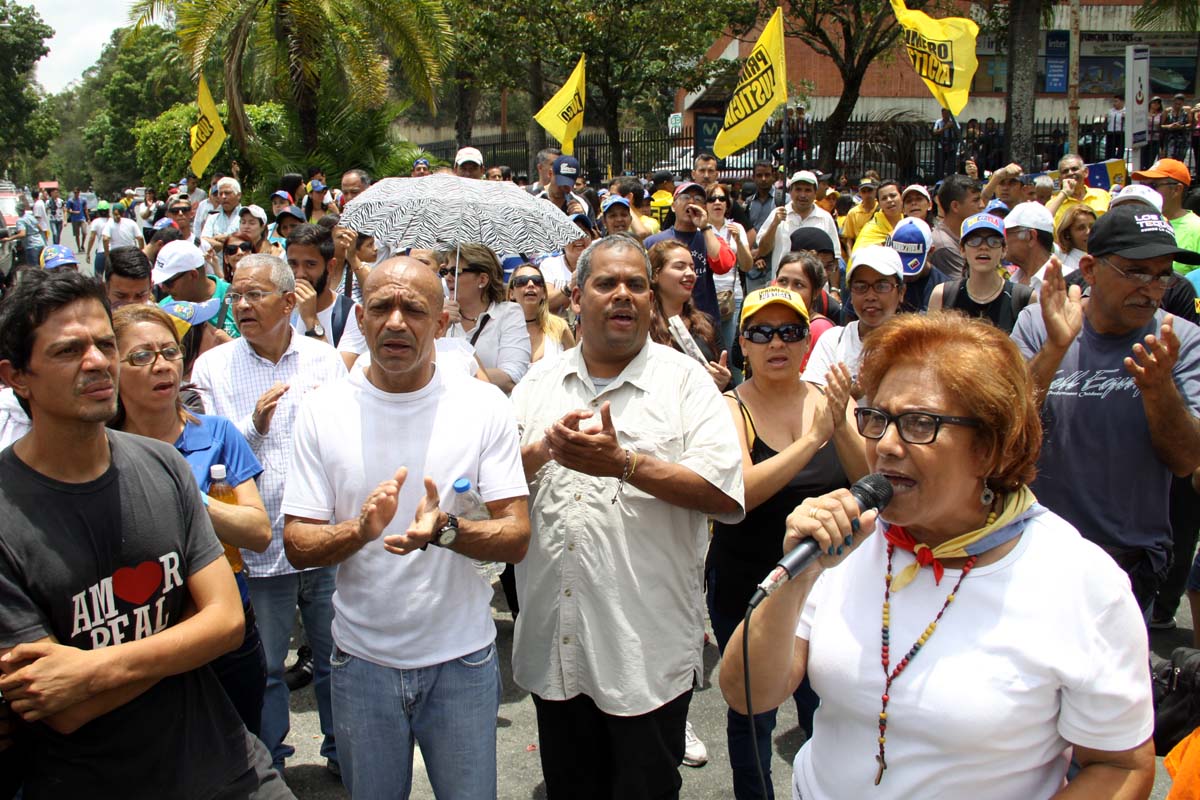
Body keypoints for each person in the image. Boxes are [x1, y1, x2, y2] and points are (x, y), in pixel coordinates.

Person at [720, 311, 1156, 799]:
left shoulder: (1080, 581)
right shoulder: (850, 541)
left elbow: (1120, 767)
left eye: (919, 424)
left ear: (990, 449)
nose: (885, 445)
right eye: (876, 418)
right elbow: (745, 692)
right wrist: (797, 577)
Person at [0, 269, 292, 798]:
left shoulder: (165, 466)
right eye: (68, 351)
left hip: (227, 766)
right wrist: (187, 632)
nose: (96, 362)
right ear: (16, 376)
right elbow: (62, 707)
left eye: (105, 345)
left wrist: (91, 667)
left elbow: (227, 625)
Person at [281, 257, 530, 799]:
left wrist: (446, 530)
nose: (396, 322)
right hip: (360, 664)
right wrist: (357, 532)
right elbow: (297, 544)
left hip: (462, 661)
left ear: (441, 324)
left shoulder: (483, 406)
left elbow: (517, 534)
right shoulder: (322, 411)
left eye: (413, 309)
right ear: (361, 319)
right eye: (381, 308)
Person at [512, 234, 744, 798]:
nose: (623, 295)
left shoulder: (686, 382)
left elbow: (726, 496)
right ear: (575, 298)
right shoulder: (537, 383)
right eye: (606, 283)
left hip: (644, 654)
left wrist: (625, 464)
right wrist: (543, 451)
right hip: (556, 647)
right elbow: (494, 493)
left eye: (637, 285)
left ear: (652, 300)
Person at [190, 254, 348, 775]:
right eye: (236, 295)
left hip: (320, 537)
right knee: (266, 669)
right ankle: (268, 764)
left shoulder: (324, 361)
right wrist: (251, 424)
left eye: (253, 294)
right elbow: (202, 452)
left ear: (287, 302)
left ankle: (344, 753)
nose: (241, 305)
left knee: (335, 659)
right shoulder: (213, 365)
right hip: (257, 550)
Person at [708, 286, 864, 799]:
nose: (777, 343)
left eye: (790, 332)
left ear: (806, 343)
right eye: (761, 333)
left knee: (826, 704)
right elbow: (742, 494)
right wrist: (810, 440)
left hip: (830, 589)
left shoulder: (828, 401)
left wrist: (838, 423)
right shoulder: (731, 406)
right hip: (750, 587)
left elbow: (869, 482)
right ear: (743, 346)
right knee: (752, 713)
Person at [1012, 202, 1200, 614]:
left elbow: (1186, 460)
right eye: (1135, 272)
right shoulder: (1038, 323)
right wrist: (1056, 348)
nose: (1150, 288)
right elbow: (1006, 429)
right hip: (1033, 552)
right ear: (1093, 269)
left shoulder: (1180, 341)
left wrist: (1158, 389)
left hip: (1128, 563)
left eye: (1162, 274)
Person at [110, 303, 272, 736]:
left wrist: (188, 494)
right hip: (142, 640)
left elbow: (258, 533)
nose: (161, 366)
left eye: (169, 352)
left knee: (241, 751)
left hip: (225, 632)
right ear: (113, 369)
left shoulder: (217, 434)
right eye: (141, 357)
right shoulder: (98, 451)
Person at [802, 246, 905, 387]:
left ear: (901, 292)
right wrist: (852, 395)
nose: (870, 296)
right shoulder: (833, 341)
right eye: (861, 286)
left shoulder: (915, 345)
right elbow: (814, 401)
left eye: (882, 286)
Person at [443, 243, 530, 393]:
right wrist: (438, 326)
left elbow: (511, 377)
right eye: (445, 271)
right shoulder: (438, 314)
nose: (448, 277)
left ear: (482, 280)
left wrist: (452, 374)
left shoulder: (509, 313)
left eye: (455, 271)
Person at [928, 213, 1034, 333]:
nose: (983, 247)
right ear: (962, 249)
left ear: (1004, 249)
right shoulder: (942, 295)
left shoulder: (1025, 298)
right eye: (974, 240)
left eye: (993, 241)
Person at [649, 239, 731, 390]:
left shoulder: (706, 323)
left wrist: (723, 381)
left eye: (692, 268)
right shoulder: (642, 327)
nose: (690, 274)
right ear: (655, 275)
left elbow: (729, 383)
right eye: (679, 267)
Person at [285, 223, 367, 370]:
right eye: (293, 264)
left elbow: (338, 376)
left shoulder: (350, 313)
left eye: (310, 264)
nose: (300, 274)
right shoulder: (279, 308)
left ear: (330, 266)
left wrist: (312, 321)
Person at [757, 171, 842, 283]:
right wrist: (774, 224)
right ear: (790, 191)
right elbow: (762, 251)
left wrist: (835, 289)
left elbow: (834, 258)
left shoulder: (825, 218)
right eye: (798, 189)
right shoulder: (777, 214)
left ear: (815, 193)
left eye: (807, 190)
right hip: (784, 287)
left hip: (816, 288)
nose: (802, 195)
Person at [1133, 158, 1200, 277]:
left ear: (1176, 190)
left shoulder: (1196, 229)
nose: (1147, 191)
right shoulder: (1136, 221)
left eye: (1153, 185)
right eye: (1144, 185)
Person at [708, 184, 753, 350]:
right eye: (712, 199)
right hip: (707, 296)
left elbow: (747, 266)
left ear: (727, 204)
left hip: (732, 296)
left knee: (730, 349)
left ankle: (732, 377)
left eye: (722, 199)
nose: (717, 202)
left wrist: (739, 240)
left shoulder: (737, 228)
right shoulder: (700, 230)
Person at [774, 252, 836, 370]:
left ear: (816, 292)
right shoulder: (773, 324)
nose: (788, 290)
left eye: (798, 285)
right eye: (782, 281)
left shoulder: (820, 329)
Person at [508, 263, 574, 363]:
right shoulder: (499, 329)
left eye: (537, 281)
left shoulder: (559, 327)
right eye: (522, 281)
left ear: (544, 293)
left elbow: (575, 368)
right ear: (511, 293)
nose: (530, 284)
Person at [929, 174, 983, 280]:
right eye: (976, 200)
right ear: (955, 206)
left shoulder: (965, 235)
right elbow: (967, 288)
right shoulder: (944, 245)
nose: (982, 205)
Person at [1046, 153, 1111, 229]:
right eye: (1065, 171)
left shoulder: (1102, 195)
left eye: (1074, 169)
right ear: (1060, 179)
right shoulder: (1054, 204)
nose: (1070, 173)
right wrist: (1064, 193)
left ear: (1085, 172)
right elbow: (1043, 221)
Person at [1003, 201, 1056, 287]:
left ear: (1031, 237)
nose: (1003, 240)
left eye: (1007, 233)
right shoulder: (1011, 281)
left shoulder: (1068, 282)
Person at [849, 180, 903, 253]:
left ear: (902, 197)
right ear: (879, 204)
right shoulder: (870, 230)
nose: (889, 200)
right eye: (884, 198)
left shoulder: (909, 221)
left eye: (893, 196)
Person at [1053, 205, 1097, 274]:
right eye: (1081, 228)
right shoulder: (1064, 261)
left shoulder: (1104, 258)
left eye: (1092, 226)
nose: (1088, 231)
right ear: (1067, 234)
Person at [839, 178, 878, 254]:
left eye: (870, 190)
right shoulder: (853, 213)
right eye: (864, 192)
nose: (867, 195)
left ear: (875, 191)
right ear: (859, 193)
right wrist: (851, 258)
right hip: (860, 254)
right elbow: (849, 240)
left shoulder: (882, 209)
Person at [4, 203, 46, 267]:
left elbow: (22, 234)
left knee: (33, 267)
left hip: (31, 245)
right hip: (40, 242)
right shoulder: (30, 216)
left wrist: (9, 238)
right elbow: (40, 228)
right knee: (41, 264)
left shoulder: (20, 220)